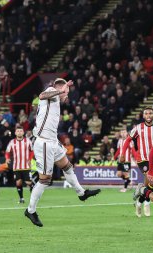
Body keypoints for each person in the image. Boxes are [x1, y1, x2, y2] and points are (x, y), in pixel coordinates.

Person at [25, 78, 101, 227]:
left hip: (53, 141)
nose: (67, 95)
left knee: (67, 166)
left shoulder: (56, 101)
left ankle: (81, 193)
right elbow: (41, 96)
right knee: (45, 179)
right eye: (67, 92)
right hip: (44, 142)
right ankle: (30, 210)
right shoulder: (50, 92)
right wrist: (62, 90)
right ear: (60, 89)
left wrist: (63, 90)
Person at [120, 107, 153, 217]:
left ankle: (139, 201)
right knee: (152, 181)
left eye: (150, 113)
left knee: (148, 184)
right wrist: (122, 154)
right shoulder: (138, 128)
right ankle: (147, 203)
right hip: (143, 159)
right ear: (143, 116)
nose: (148, 115)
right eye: (146, 113)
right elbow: (127, 140)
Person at [5, 126, 34, 204]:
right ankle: (21, 198)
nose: (19, 132)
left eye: (21, 131)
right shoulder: (12, 142)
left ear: (23, 132)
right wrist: (7, 158)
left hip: (26, 166)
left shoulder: (28, 141)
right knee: (18, 182)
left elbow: (32, 151)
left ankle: (34, 197)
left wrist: (30, 159)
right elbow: (7, 152)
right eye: (18, 131)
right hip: (16, 166)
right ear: (15, 133)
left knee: (28, 182)